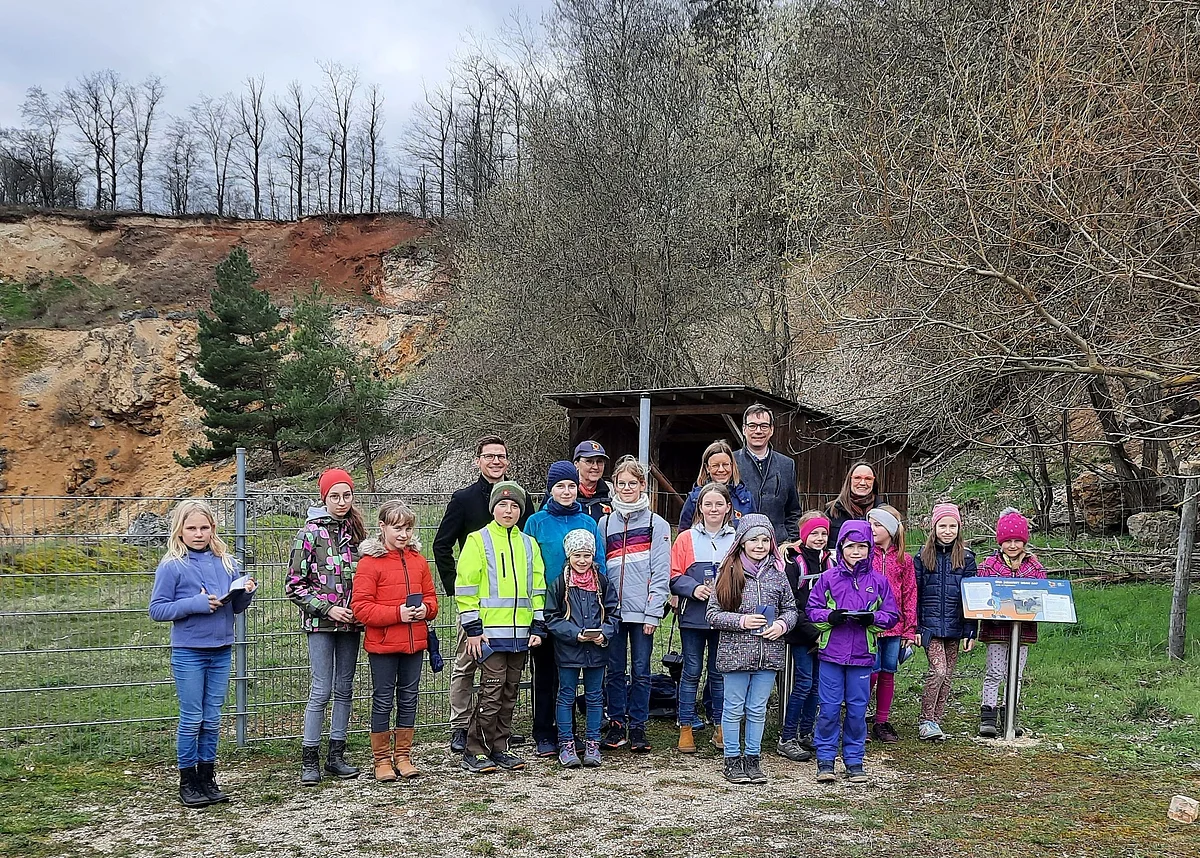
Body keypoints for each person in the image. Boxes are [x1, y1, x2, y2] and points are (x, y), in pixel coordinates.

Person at [149, 499, 256, 807]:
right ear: (179, 530)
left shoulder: (227, 562)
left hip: (221, 648)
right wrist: (194, 605)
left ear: (213, 529)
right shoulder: (172, 565)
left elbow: (235, 607)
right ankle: (188, 780)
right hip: (189, 651)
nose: (198, 534)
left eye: (204, 528)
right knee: (192, 716)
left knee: (212, 717)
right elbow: (157, 609)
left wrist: (246, 592)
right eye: (191, 528)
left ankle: (208, 777)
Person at [432, 435, 530, 755]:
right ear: (478, 460)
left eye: (501, 456)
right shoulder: (463, 499)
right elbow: (441, 545)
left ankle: (498, 729)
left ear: (508, 461)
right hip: (476, 605)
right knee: (466, 664)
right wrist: (456, 587)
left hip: (510, 609)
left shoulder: (520, 499)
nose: (495, 461)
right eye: (489, 456)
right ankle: (460, 726)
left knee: (504, 673)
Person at [455, 481, 547, 774]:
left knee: (510, 691)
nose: (509, 510)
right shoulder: (477, 540)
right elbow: (466, 587)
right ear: (493, 508)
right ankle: (475, 748)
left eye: (515, 505)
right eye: (503, 505)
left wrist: (538, 625)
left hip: (520, 635)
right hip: (489, 635)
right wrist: (472, 628)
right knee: (491, 690)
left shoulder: (528, 544)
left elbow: (538, 587)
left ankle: (500, 746)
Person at [284, 468, 366, 785]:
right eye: (335, 496)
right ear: (324, 498)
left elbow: (367, 579)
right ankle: (310, 759)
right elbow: (294, 585)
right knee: (321, 689)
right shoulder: (308, 535)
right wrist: (328, 608)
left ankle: (337, 754)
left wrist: (357, 609)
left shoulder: (357, 535)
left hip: (351, 625)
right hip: (320, 624)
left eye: (346, 495)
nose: (341, 501)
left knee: (345, 688)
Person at [706, 513, 798, 785]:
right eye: (753, 540)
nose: (759, 545)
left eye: (765, 540)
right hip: (735, 655)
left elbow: (791, 609)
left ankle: (753, 758)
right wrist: (741, 621)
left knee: (758, 709)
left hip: (768, 654)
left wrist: (782, 624)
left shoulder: (778, 575)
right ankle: (732, 760)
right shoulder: (728, 572)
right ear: (741, 542)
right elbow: (712, 614)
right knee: (734, 708)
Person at [523, 461, 607, 757]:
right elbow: (528, 562)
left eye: (571, 485)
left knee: (573, 673)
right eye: (560, 486)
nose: (566, 491)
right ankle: (545, 732)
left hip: (583, 608)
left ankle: (569, 733)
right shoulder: (536, 522)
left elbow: (601, 564)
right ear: (551, 489)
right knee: (546, 673)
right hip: (549, 607)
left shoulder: (588, 522)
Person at [351, 500, 439, 781]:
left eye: (408, 528)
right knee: (383, 700)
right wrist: (398, 614)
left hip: (415, 643)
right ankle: (381, 760)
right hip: (384, 645)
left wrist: (426, 609)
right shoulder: (369, 563)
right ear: (383, 527)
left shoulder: (418, 562)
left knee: (409, 698)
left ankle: (403, 756)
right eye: (397, 528)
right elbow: (361, 608)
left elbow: (432, 600)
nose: (403, 534)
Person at [807, 520, 899, 784]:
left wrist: (872, 619)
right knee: (829, 709)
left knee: (858, 711)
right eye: (850, 546)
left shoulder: (879, 582)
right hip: (831, 654)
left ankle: (854, 760)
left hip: (862, 655)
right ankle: (825, 759)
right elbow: (812, 610)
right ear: (841, 547)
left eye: (862, 546)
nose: (856, 552)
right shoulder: (827, 578)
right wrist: (831, 617)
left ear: (870, 549)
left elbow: (891, 615)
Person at [597, 455, 672, 752]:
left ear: (643, 485)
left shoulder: (658, 524)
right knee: (614, 670)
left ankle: (638, 725)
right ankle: (616, 724)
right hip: (614, 613)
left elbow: (661, 571)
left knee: (641, 670)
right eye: (621, 483)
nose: (626, 488)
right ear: (613, 487)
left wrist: (653, 612)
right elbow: (601, 570)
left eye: (632, 483)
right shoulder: (604, 524)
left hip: (643, 613)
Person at [669, 482, 736, 753]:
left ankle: (721, 727)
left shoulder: (736, 538)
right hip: (693, 615)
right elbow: (673, 574)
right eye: (708, 504)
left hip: (725, 616)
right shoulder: (685, 538)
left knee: (719, 673)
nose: (713, 509)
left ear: (728, 507)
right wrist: (693, 588)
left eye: (719, 504)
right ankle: (686, 727)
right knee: (691, 671)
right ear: (700, 507)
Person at [545, 528, 620, 768]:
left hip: (597, 650)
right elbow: (551, 617)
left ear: (593, 557)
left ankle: (593, 743)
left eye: (587, 555)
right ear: (569, 556)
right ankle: (566, 743)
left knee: (595, 697)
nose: (582, 561)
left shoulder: (603, 582)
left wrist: (604, 633)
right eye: (577, 555)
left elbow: (614, 613)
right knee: (566, 695)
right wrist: (574, 634)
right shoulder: (559, 584)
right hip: (569, 650)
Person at [977, 508, 1046, 737]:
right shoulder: (989, 565)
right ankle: (988, 715)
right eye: (1008, 541)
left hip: (1023, 630)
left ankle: (1010, 715)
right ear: (1000, 542)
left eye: (1018, 540)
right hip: (996, 629)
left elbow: (1042, 595)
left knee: (1015, 673)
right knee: (995, 671)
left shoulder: (1034, 567)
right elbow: (981, 593)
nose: (1013, 545)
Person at [914, 502, 978, 741]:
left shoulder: (967, 558)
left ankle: (937, 721)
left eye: (952, 526)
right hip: (929, 627)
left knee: (948, 675)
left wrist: (971, 630)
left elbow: (973, 596)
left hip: (955, 625)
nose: (947, 530)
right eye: (943, 525)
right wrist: (916, 626)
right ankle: (925, 720)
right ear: (934, 527)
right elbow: (915, 593)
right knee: (938, 671)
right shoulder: (922, 556)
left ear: (959, 528)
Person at [777, 512, 833, 762]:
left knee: (817, 686)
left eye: (823, 533)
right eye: (814, 533)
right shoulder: (794, 564)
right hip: (801, 634)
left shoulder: (830, 562)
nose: (819, 538)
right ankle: (786, 737)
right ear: (804, 535)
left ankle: (806, 733)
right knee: (803, 685)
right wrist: (812, 631)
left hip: (825, 634)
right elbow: (788, 602)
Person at [866, 505, 917, 744]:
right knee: (870, 672)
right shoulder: (864, 554)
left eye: (877, 525)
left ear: (890, 529)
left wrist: (910, 628)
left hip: (895, 627)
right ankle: (859, 716)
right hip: (869, 626)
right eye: (870, 524)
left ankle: (882, 721)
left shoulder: (903, 559)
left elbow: (910, 593)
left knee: (888, 672)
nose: (872, 529)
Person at [733, 403, 801, 543]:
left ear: (771, 430)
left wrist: (790, 541)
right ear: (744, 429)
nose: (758, 431)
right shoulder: (731, 462)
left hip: (777, 543)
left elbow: (793, 511)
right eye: (752, 426)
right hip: (739, 544)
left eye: (764, 426)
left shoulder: (786, 465)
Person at [677, 440, 755, 531]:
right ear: (707, 468)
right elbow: (684, 534)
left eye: (725, 464)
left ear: (732, 465)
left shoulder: (746, 499)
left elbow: (754, 534)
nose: (721, 469)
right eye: (715, 465)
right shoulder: (695, 499)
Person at [825, 462, 884, 546]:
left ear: (874, 482)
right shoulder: (832, 510)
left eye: (868, 478)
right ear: (849, 480)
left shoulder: (882, 511)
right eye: (857, 478)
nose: (863, 483)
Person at [573, 440, 613, 521]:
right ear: (576, 464)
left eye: (599, 462)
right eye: (589, 461)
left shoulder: (612, 492)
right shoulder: (565, 491)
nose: (595, 467)